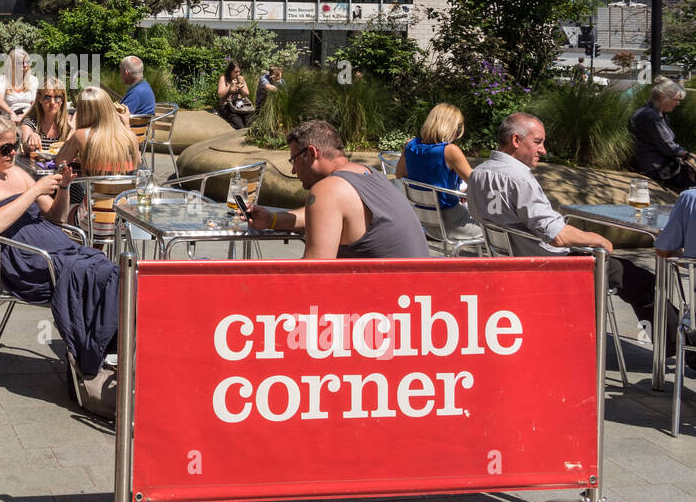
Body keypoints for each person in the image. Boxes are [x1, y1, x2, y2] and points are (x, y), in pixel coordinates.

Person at [468, 112, 670, 346]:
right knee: (641, 280)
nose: (543, 150)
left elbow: (477, 215)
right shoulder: (519, 178)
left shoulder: (479, 173)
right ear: (516, 140)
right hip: (550, 266)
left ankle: (675, 339)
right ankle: (676, 344)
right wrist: (596, 238)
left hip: (508, 262)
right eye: (537, 142)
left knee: (630, 274)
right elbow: (557, 236)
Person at [0, 112, 118, 380]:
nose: (13, 153)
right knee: (101, 275)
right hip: (26, 258)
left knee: (109, 270)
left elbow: (55, 216)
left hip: (55, 246)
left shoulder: (17, 173)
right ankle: (94, 353)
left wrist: (63, 188)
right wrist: (34, 190)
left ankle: (110, 347)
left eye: (15, 145)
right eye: (6, 148)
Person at [248, 119, 429, 259]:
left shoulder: (328, 190)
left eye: (293, 160)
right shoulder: (368, 173)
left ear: (311, 153)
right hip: (420, 300)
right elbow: (325, 215)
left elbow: (314, 273)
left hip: (383, 303)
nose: (293, 170)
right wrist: (271, 220)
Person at [394, 102, 483, 241]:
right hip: (452, 223)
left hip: (424, 222)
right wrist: (465, 192)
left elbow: (399, 175)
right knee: (493, 224)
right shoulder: (450, 151)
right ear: (452, 127)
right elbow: (477, 184)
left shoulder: (410, 144)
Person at [629, 78, 696, 192]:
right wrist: (689, 155)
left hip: (660, 164)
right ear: (663, 97)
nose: (678, 103)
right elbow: (668, 147)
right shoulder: (652, 117)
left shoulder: (654, 114)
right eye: (676, 99)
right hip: (657, 168)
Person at [56, 86, 141, 176]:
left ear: (83, 112)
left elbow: (60, 162)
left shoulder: (81, 135)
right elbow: (138, 163)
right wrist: (127, 126)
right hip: (125, 189)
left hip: (93, 189)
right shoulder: (130, 136)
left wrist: (72, 130)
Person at [20, 78, 73, 152]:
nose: (52, 102)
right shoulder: (30, 122)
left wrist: (73, 131)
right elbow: (26, 147)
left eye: (57, 97)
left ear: (62, 100)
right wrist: (30, 138)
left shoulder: (69, 123)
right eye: (47, 97)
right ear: (39, 99)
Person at [0, 47, 38, 120]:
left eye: (27, 62)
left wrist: (24, 116)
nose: (25, 66)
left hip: (29, 115)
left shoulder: (33, 80)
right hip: (9, 116)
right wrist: (11, 113)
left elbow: (35, 103)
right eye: (21, 63)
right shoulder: (3, 79)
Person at [217, 58, 255, 129]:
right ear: (230, 71)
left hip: (239, 105)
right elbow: (220, 94)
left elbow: (247, 93)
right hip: (226, 106)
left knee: (250, 121)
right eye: (235, 72)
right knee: (239, 126)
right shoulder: (223, 78)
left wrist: (241, 85)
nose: (238, 74)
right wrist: (229, 86)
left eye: (239, 72)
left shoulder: (241, 79)